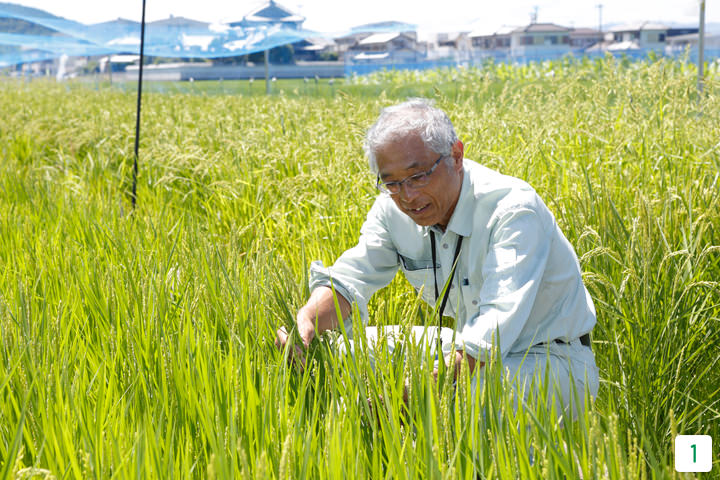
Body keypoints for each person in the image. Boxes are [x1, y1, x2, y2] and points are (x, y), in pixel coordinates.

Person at [276, 98, 599, 414]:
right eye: (392, 182)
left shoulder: (512, 209)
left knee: (442, 404)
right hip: (464, 348)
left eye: (419, 177)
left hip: (549, 361)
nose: (408, 196)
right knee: (325, 351)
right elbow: (351, 278)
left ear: (456, 155)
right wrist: (306, 323)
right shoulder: (392, 209)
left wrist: (410, 394)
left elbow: (493, 329)